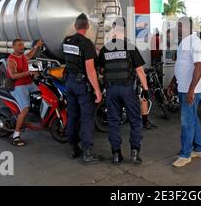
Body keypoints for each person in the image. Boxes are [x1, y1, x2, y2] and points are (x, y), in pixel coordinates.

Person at [98, 18, 149, 165]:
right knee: (135, 120)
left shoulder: (105, 48)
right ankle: (134, 153)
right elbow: (139, 70)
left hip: (112, 90)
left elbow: (101, 70)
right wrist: (145, 90)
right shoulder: (130, 46)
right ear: (124, 30)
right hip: (127, 89)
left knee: (113, 121)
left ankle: (116, 155)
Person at [62, 13, 103, 164]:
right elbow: (90, 70)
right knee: (87, 118)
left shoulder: (66, 41)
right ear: (87, 27)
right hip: (81, 85)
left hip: (69, 83)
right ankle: (88, 153)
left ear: (75, 26)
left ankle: (74, 148)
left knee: (73, 116)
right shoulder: (87, 44)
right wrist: (97, 90)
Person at [167, 17, 201, 168]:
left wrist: (191, 91)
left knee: (186, 122)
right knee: (192, 119)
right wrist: (172, 82)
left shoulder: (196, 43)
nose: (176, 29)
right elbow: (181, 65)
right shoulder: (183, 43)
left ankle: (185, 154)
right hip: (183, 87)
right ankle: (200, 149)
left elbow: (198, 67)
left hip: (191, 90)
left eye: (178, 26)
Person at [6, 38, 43, 146]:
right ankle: (16, 136)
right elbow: (13, 75)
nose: (21, 47)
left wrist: (36, 46)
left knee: (44, 95)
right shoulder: (11, 60)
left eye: (22, 45)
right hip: (18, 86)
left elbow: (30, 55)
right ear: (14, 47)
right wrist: (28, 73)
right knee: (25, 109)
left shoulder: (22, 56)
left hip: (29, 84)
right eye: (19, 45)